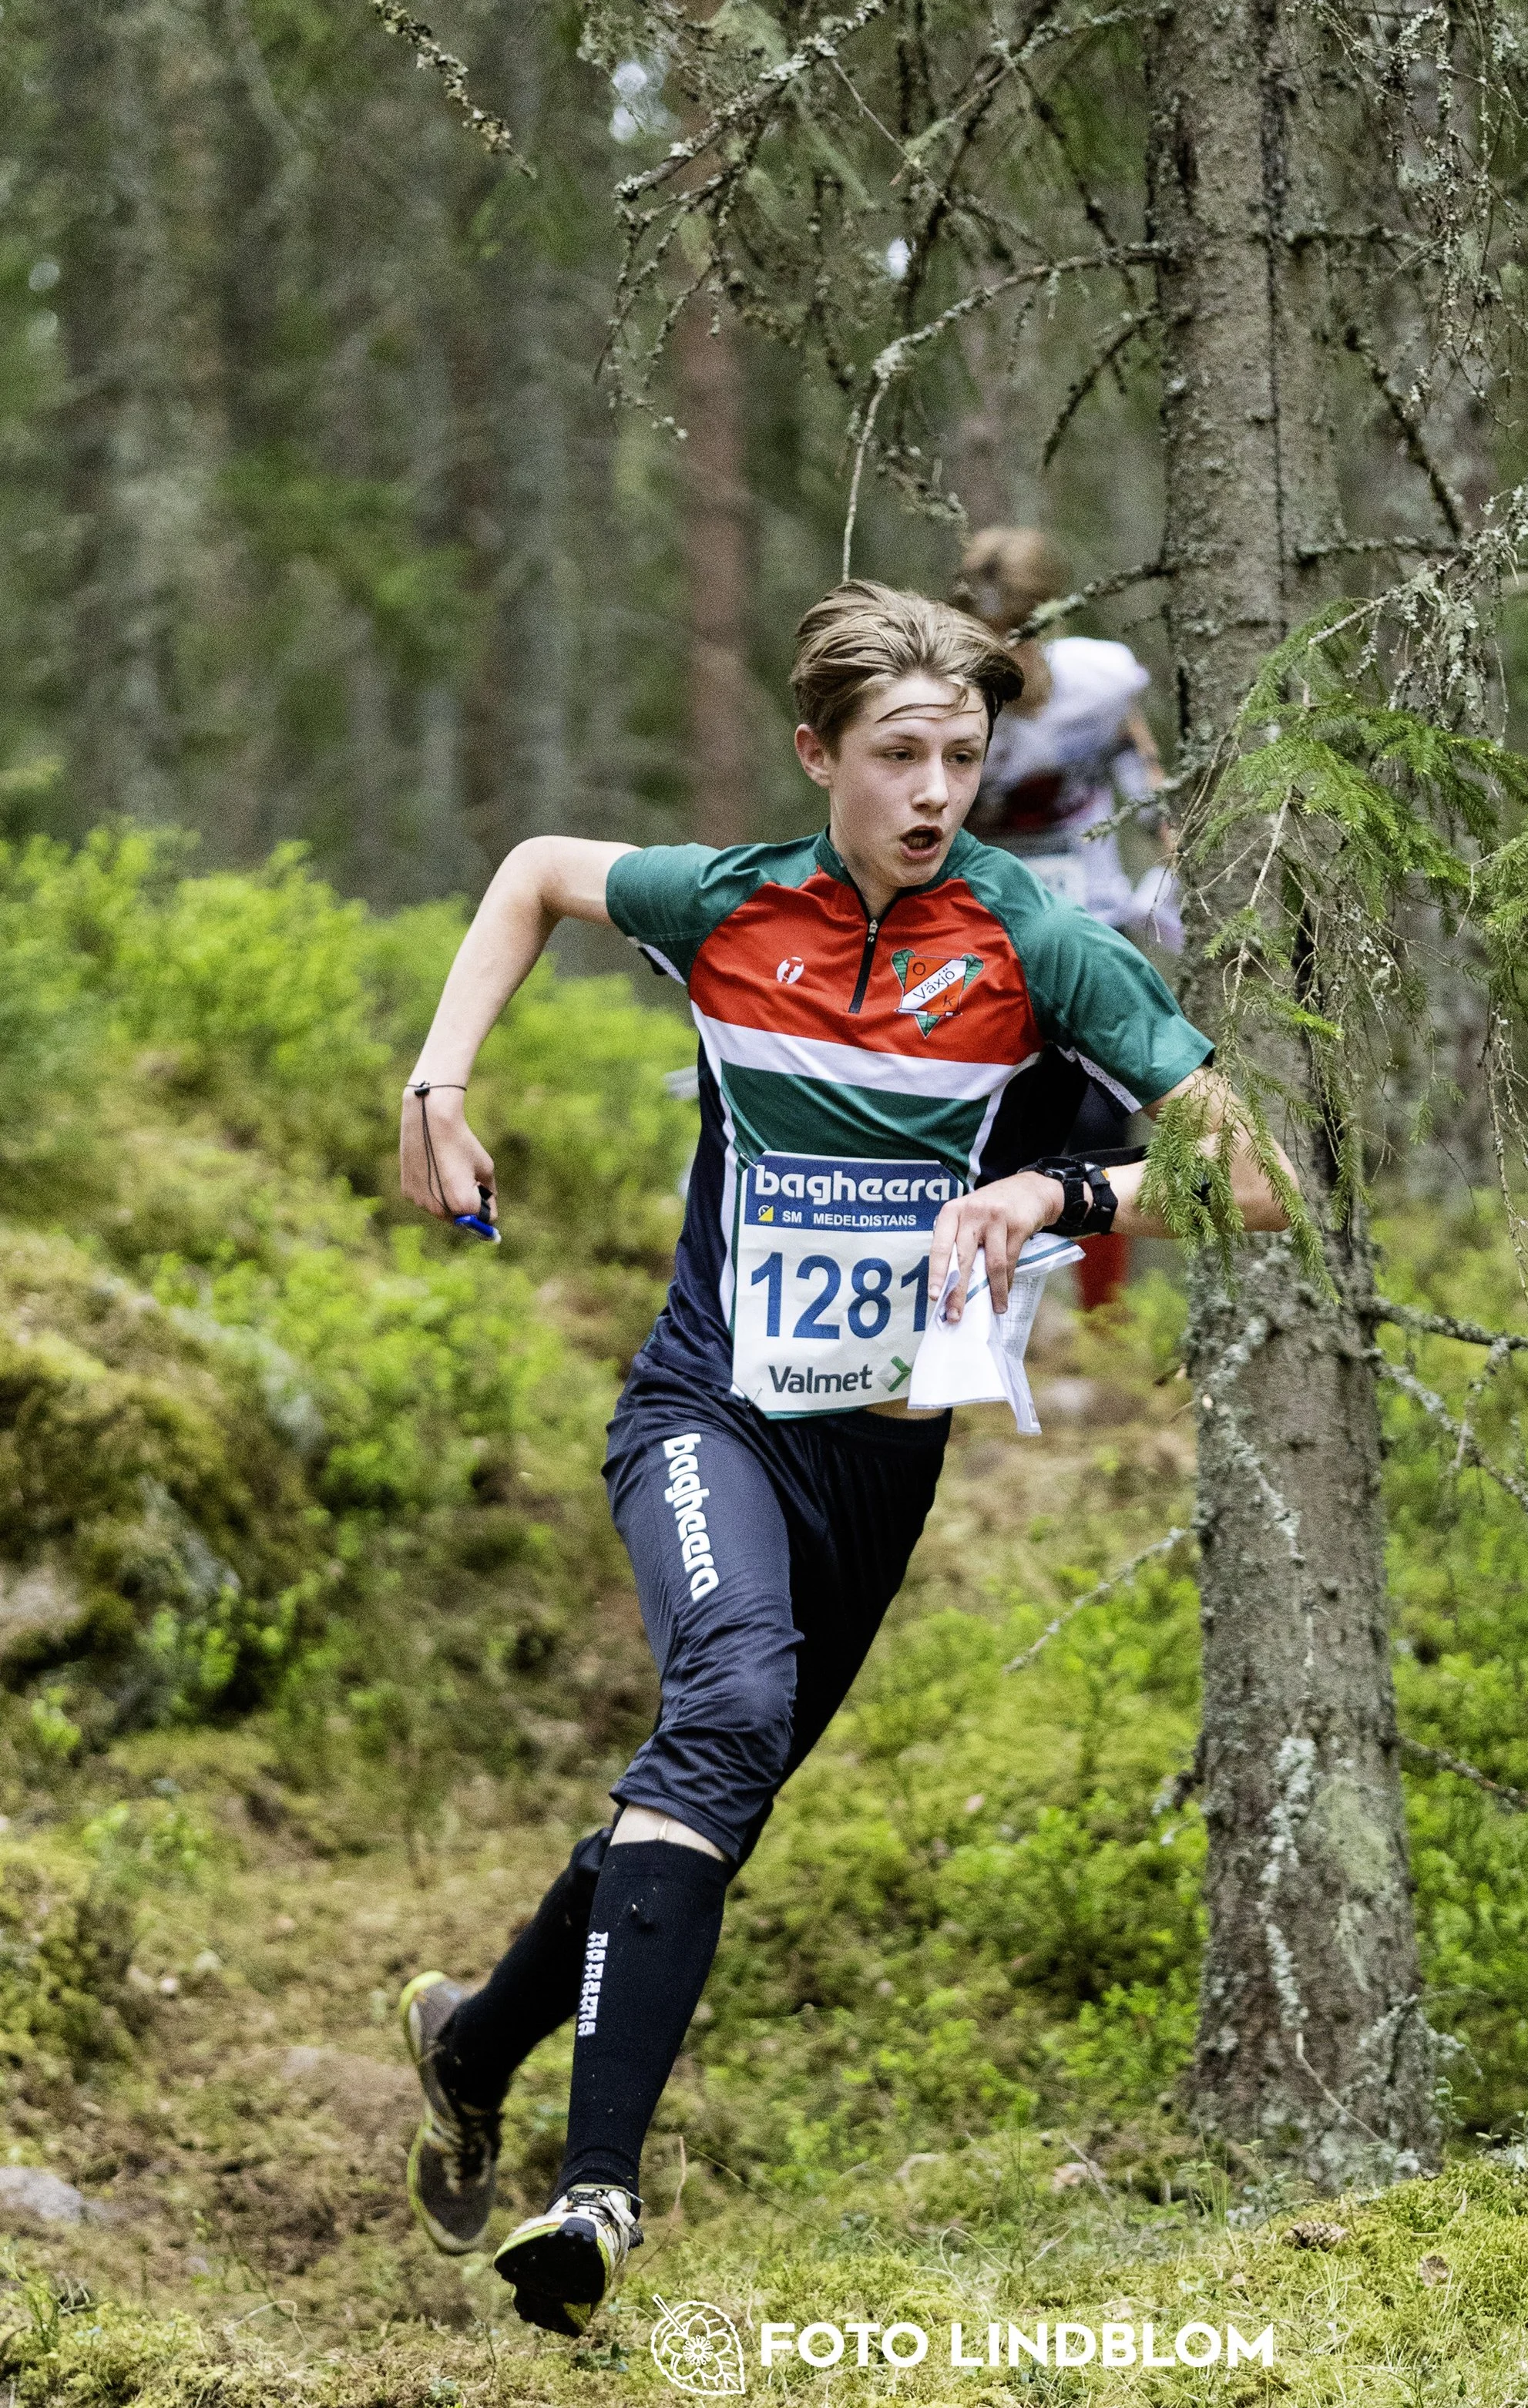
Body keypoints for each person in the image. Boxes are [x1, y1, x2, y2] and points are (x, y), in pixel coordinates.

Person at [392, 579, 1293, 2338]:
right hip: (707, 1407)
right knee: (723, 1714)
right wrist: (440, 1084)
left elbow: (1247, 1173)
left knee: (712, 1787)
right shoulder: (728, 907)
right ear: (818, 755)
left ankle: (471, 2037)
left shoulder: (1034, 939)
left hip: (880, 1457)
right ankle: (593, 2199)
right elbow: (529, 874)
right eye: (897, 756)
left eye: (961, 754)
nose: (935, 789)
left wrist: (1056, 1188)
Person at [955, 528, 1180, 1307]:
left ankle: (1100, 1314)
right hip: (982, 926)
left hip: (1089, 913)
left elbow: (1134, 748)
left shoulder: (1099, 678)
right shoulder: (951, 689)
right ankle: (997, 1296)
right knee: (1002, 1105)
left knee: (1105, 1110)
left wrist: (1173, 857)